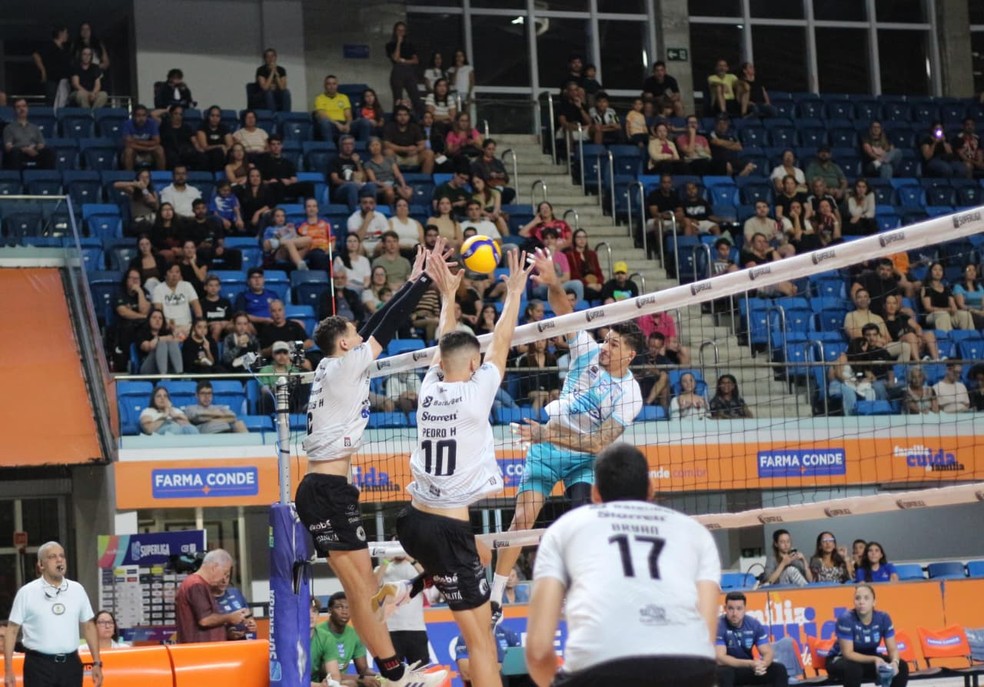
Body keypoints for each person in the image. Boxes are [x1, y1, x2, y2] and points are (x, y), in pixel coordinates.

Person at [294, 240, 448, 687]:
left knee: (366, 591)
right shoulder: (344, 367)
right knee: (362, 592)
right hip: (325, 491)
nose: (362, 338)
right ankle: (397, 675)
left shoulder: (329, 365)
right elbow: (388, 324)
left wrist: (410, 280)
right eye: (355, 335)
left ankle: (391, 671)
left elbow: (376, 322)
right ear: (345, 343)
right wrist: (422, 282)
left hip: (326, 489)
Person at [393, 249, 531, 687]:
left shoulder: (429, 387)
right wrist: (514, 293)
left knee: (478, 624)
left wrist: (448, 294)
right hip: (446, 532)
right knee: (482, 644)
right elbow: (503, 341)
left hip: (412, 521)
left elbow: (443, 342)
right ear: (474, 365)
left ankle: (414, 586)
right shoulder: (476, 392)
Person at [490, 251, 644, 625]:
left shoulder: (631, 395)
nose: (605, 348)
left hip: (582, 456)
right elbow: (565, 313)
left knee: (584, 517)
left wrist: (549, 432)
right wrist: (554, 282)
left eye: (614, 345)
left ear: (631, 355)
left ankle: (587, 591)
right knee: (522, 519)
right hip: (547, 449)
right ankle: (494, 598)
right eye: (606, 341)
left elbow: (597, 445)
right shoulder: (586, 351)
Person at [526, 442, 720, 687]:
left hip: (599, 670)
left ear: (595, 494)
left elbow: (538, 652)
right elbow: (706, 636)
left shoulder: (565, 529)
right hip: (690, 668)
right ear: (651, 489)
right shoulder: (696, 533)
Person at [4, 541, 103, 687]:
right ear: (41, 564)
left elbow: (88, 626)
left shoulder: (77, 590)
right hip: (38, 666)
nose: (59, 560)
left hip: (70, 664)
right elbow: (12, 631)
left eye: (62, 556)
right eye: (52, 556)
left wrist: (96, 662)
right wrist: (8, 669)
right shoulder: (27, 593)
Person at [825, 585, 909, 687]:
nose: (861, 602)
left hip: (868, 660)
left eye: (866, 598)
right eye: (857, 598)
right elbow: (848, 654)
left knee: (902, 666)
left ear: (874, 602)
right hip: (839, 660)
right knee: (854, 669)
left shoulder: (883, 618)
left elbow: (892, 649)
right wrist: (875, 659)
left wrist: (895, 663)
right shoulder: (846, 619)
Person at [175, 549, 250, 643]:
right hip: (200, 651)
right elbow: (205, 620)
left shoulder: (198, 584)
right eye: (225, 573)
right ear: (214, 567)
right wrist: (230, 617)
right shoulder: (196, 584)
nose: (224, 578)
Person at [715, 592, 788, 687]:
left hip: (748, 668)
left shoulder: (754, 624)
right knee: (725, 673)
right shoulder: (718, 625)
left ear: (745, 609)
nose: (734, 613)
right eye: (730, 608)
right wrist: (749, 663)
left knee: (779, 669)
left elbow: (768, 652)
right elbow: (721, 659)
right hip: (727, 668)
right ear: (725, 609)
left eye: (739, 609)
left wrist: (763, 665)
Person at [310, 592, 378, 687]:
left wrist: (381, 677)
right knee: (352, 683)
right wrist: (359, 679)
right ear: (329, 610)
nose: (344, 612)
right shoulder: (321, 634)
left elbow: (363, 670)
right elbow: (324, 673)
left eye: (348, 607)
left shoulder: (354, 634)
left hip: (333, 681)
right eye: (339, 607)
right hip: (321, 680)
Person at [373, 552, 429, 667]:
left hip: (416, 629)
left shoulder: (416, 567)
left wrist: (411, 559)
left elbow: (429, 578)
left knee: (421, 672)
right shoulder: (381, 568)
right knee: (393, 674)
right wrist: (385, 561)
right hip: (390, 630)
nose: (398, 550)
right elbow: (373, 585)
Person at [452, 624, 521, 687]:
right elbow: (466, 673)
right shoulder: (466, 636)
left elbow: (519, 668)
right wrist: (501, 668)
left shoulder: (507, 634)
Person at [3, 99, 56, 170]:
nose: (22, 109)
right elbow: (8, 147)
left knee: (48, 152)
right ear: (15, 111)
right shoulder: (9, 128)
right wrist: (24, 149)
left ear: (27, 109)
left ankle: (46, 178)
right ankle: (17, 178)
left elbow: (41, 144)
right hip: (19, 153)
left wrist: (34, 148)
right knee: (15, 153)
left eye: (24, 106)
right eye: (18, 107)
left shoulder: (35, 128)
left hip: (34, 151)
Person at [921, 261, 974, 331]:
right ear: (930, 272)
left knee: (965, 315)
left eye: (940, 270)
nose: (938, 272)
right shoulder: (926, 287)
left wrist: (953, 308)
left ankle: (969, 339)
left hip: (947, 313)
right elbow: (928, 307)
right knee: (944, 316)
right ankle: (948, 340)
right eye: (935, 269)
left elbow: (952, 304)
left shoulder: (946, 288)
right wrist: (946, 310)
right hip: (932, 314)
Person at [184, 380, 248, 434]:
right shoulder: (191, 408)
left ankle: (251, 447)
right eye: (203, 393)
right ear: (196, 395)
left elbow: (232, 417)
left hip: (228, 433)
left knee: (239, 423)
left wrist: (209, 417)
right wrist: (219, 415)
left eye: (209, 393)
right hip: (210, 435)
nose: (206, 396)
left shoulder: (220, 407)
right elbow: (199, 417)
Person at [386, 22, 423, 115]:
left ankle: (420, 118)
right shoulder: (390, 45)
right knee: (398, 98)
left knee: (416, 97)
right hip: (397, 71)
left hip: (409, 71)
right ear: (395, 31)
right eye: (399, 30)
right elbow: (395, 58)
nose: (401, 32)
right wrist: (398, 43)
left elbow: (415, 60)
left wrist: (403, 61)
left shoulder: (410, 45)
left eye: (403, 30)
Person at [33, 26, 72, 108]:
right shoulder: (50, 45)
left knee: (64, 101)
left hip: (63, 80)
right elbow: (36, 55)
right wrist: (42, 70)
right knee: (52, 100)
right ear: (60, 33)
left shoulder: (65, 48)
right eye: (66, 33)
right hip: (52, 79)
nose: (67, 35)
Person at [122, 104, 166, 172]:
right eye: (138, 115)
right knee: (129, 151)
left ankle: (161, 176)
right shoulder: (127, 124)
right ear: (133, 116)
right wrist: (147, 147)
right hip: (136, 151)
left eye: (143, 115)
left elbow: (157, 141)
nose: (141, 118)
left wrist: (136, 141)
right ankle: (129, 177)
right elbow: (128, 143)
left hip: (149, 151)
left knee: (160, 149)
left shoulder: (152, 123)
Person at [254, 48, 291, 112]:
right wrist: (272, 72)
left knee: (286, 92)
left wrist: (276, 74)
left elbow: (282, 88)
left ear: (276, 57)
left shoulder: (281, 70)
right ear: (265, 59)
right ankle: (273, 115)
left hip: (277, 93)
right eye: (268, 57)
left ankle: (286, 115)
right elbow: (265, 88)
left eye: (272, 56)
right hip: (263, 94)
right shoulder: (261, 70)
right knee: (268, 92)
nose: (270, 58)